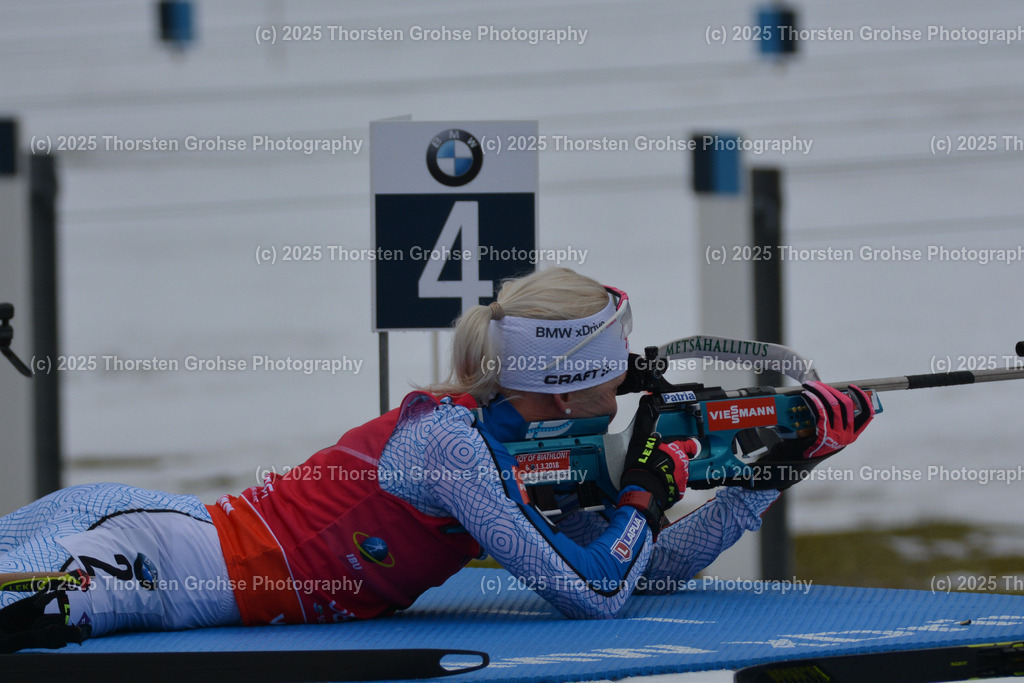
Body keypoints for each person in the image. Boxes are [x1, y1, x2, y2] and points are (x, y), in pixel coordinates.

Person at [0, 267, 874, 652]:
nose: (625, 397)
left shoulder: (523, 447)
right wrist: (645, 486)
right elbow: (594, 594)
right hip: (141, 563)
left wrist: (773, 469)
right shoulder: (455, 446)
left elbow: (642, 570)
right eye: (616, 376)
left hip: (150, 539)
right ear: (567, 391)